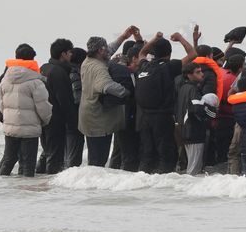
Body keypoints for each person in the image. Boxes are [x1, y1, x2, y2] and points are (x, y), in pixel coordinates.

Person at [78, 29, 134, 167]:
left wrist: (123, 37)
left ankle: (88, 186)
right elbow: (106, 85)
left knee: (94, 158)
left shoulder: (88, 60)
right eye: (104, 49)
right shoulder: (98, 68)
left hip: (87, 117)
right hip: (97, 120)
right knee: (98, 161)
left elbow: (109, 49)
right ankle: (93, 187)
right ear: (100, 51)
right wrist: (127, 91)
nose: (108, 51)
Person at [0, 44, 53, 177]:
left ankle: (0, 191)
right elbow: (43, 107)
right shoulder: (35, 82)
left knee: (8, 161)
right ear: (32, 60)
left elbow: (1, 105)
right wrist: (44, 122)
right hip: (30, 130)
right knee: (28, 164)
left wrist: (8, 119)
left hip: (10, 128)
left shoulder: (5, 79)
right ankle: (27, 194)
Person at [135, 34, 185, 173]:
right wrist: (180, 38)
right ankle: (163, 190)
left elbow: (142, 52)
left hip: (143, 118)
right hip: (162, 117)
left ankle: (143, 185)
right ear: (169, 54)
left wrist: (154, 39)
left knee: (147, 153)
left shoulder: (144, 66)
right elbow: (192, 54)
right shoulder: (169, 66)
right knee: (166, 154)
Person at [36, 38, 74, 174]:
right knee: (55, 155)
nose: (71, 55)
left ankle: (39, 178)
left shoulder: (43, 68)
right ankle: (53, 186)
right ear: (63, 54)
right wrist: (72, 121)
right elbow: (64, 100)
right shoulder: (58, 72)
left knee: (47, 151)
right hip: (55, 118)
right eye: (69, 52)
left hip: (42, 117)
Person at [174, 63, 206, 173]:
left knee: (191, 166)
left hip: (185, 130)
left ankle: (186, 188)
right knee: (194, 169)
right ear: (189, 75)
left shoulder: (183, 88)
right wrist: (211, 113)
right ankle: (190, 188)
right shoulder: (193, 89)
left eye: (201, 71)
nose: (202, 74)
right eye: (198, 72)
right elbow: (198, 109)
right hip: (193, 131)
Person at [66, 47, 87, 168]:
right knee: (74, 149)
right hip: (75, 116)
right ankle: (70, 174)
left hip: (67, 115)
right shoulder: (75, 73)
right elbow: (78, 97)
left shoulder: (67, 70)